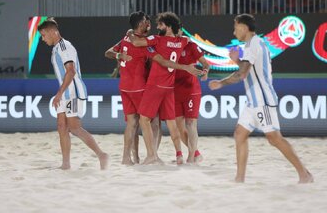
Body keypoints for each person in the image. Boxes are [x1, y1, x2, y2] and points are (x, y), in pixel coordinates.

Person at [208, 14, 313, 183]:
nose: (234, 32)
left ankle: (304, 174)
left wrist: (221, 82)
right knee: (240, 134)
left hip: (262, 100)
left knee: (274, 139)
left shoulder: (253, 45)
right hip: (253, 101)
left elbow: (242, 74)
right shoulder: (254, 44)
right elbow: (246, 69)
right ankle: (239, 178)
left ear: (243, 27)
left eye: (235, 28)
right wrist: (237, 61)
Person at [128, 12, 204, 165]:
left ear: (168, 27)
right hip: (169, 88)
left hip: (155, 85)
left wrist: (130, 33)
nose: (157, 27)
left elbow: (136, 42)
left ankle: (151, 155)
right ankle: (181, 155)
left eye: (160, 25)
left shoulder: (158, 40)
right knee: (172, 124)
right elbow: (186, 39)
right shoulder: (182, 41)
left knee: (144, 119)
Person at [38, 18, 109, 170]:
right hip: (65, 94)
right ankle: (65, 164)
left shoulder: (65, 47)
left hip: (73, 93)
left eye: (44, 35)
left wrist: (58, 93)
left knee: (75, 128)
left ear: (53, 31)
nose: (43, 39)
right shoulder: (56, 48)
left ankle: (101, 155)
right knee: (61, 126)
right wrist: (60, 94)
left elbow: (71, 71)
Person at [105, 11, 161, 165]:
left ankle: (129, 158)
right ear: (140, 24)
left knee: (132, 123)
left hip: (124, 87)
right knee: (153, 120)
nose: (148, 23)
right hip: (139, 87)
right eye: (145, 21)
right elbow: (154, 63)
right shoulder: (142, 42)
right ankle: (153, 155)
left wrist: (119, 56)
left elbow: (108, 52)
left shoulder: (125, 39)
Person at [175, 27, 210, 163]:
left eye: (178, 31)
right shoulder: (168, 45)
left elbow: (205, 63)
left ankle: (190, 157)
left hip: (191, 89)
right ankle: (196, 153)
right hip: (175, 90)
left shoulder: (191, 46)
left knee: (190, 123)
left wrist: (205, 71)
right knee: (179, 126)